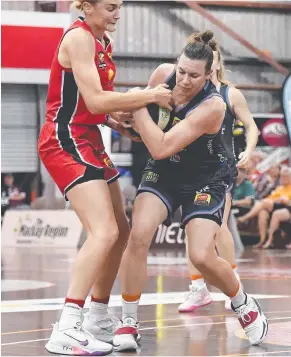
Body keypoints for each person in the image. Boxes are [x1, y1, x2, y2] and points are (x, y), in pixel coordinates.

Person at [113, 30, 268, 351]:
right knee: (139, 233)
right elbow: (146, 133)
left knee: (201, 255)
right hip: (167, 171)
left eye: (193, 75)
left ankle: (242, 303)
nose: (183, 80)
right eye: (181, 71)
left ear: (209, 74)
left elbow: (160, 145)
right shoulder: (162, 75)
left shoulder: (214, 105)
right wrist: (122, 118)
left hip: (207, 176)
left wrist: (138, 105)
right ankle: (128, 321)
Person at [38, 0, 172, 355]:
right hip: (64, 138)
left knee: (121, 231)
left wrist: (118, 124)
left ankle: (98, 315)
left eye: (120, 7)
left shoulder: (103, 43)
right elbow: (96, 101)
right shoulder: (79, 39)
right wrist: (149, 96)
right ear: (87, 6)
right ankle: (66, 326)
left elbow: (92, 106)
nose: (117, 13)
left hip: (89, 137)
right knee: (105, 231)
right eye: (111, 7)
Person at [178, 35, 259, 313]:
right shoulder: (189, 93)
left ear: (216, 64)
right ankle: (198, 289)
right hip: (190, 169)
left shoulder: (230, 93)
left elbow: (252, 126)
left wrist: (248, 151)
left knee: (221, 227)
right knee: (191, 229)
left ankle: (232, 280)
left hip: (221, 170)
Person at [238, 166, 291, 248]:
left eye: (285, 176)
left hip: (287, 208)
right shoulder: (280, 188)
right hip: (275, 206)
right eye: (282, 176)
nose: (282, 178)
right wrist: (278, 199)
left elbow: (287, 202)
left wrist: (286, 201)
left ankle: (269, 240)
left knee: (270, 208)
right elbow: (270, 198)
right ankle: (262, 240)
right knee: (262, 212)